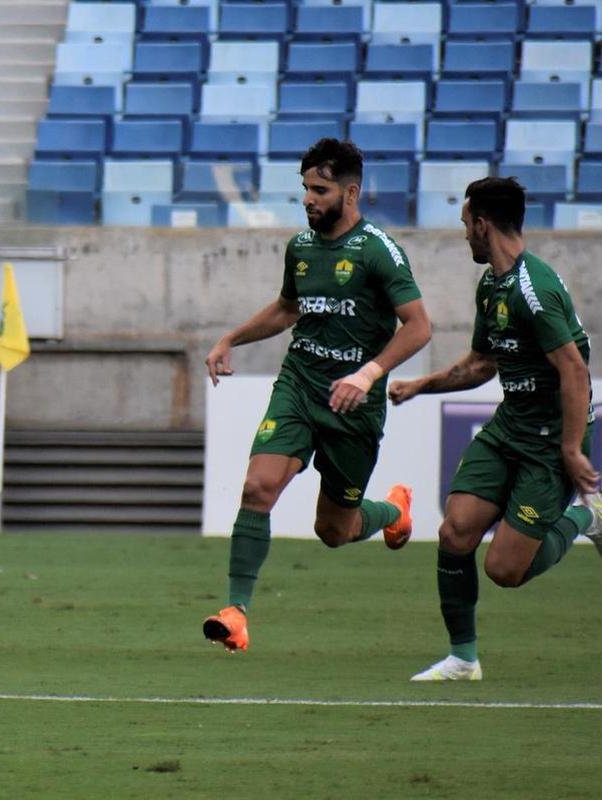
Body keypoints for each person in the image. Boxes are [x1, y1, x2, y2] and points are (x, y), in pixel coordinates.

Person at [201, 138, 432, 652]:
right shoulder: (301, 248)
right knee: (258, 488)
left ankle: (393, 511)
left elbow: (419, 327)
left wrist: (368, 374)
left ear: (351, 193)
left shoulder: (378, 251)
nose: (308, 199)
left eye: (319, 190)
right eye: (305, 188)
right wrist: (230, 338)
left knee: (334, 530)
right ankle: (236, 612)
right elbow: (288, 309)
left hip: (354, 405)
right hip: (300, 385)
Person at [388, 176, 602, 681]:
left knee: (505, 570)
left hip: (550, 443)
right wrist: (422, 384)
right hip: (510, 427)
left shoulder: (535, 290)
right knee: (455, 530)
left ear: (483, 225)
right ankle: (463, 659)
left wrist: (572, 449)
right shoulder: (492, 286)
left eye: (466, 225)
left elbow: (574, 371)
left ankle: (587, 518)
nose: (464, 236)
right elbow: (481, 365)